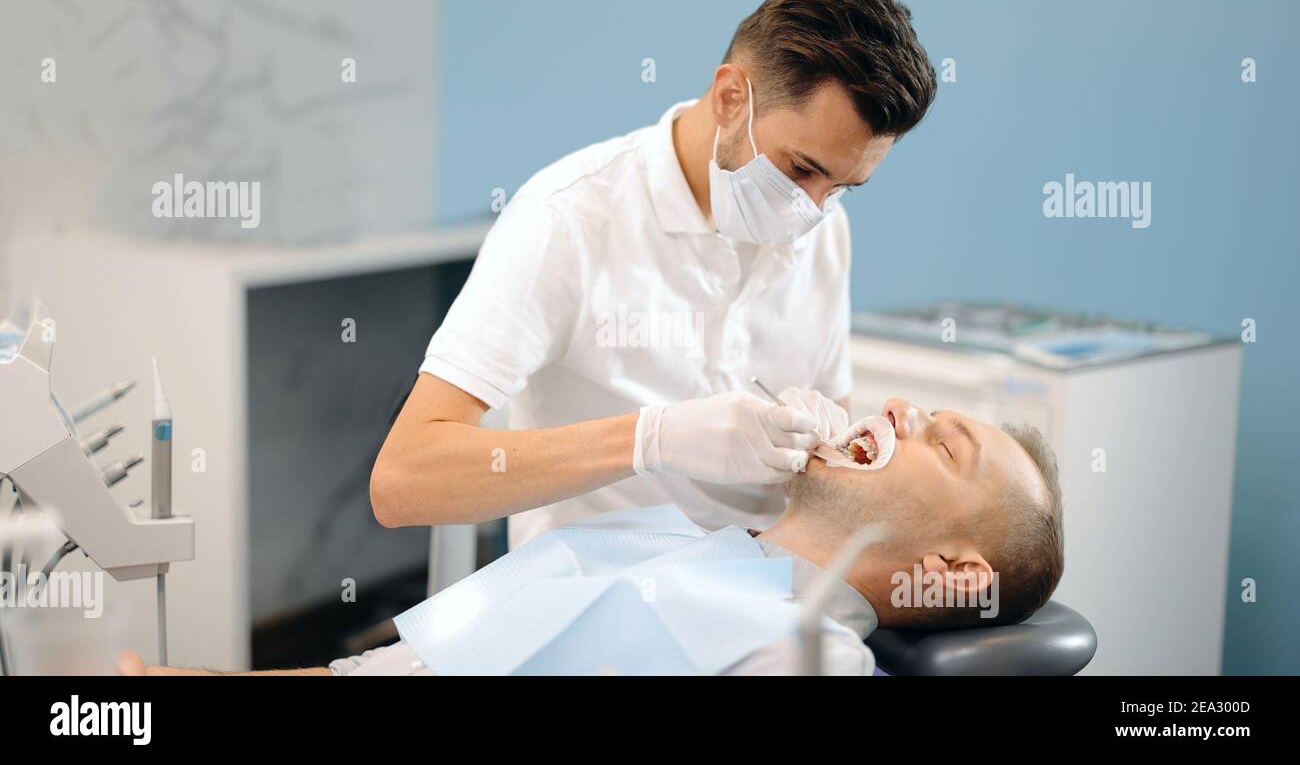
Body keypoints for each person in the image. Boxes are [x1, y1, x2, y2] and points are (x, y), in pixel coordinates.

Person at [369, 0, 939, 549]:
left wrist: (823, 445)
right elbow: (402, 481)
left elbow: (830, 456)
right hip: (594, 588)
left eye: (842, 187)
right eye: (801, 169)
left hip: (760, 585)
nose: (810, 211)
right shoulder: (567, 218)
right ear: (730, 99)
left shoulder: (825, 228)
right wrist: (650, 439)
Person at [120, 400, 1064, 676]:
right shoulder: (689, 542)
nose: (899, 410)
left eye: (943, 442)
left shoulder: (803, 655)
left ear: (951, 571)